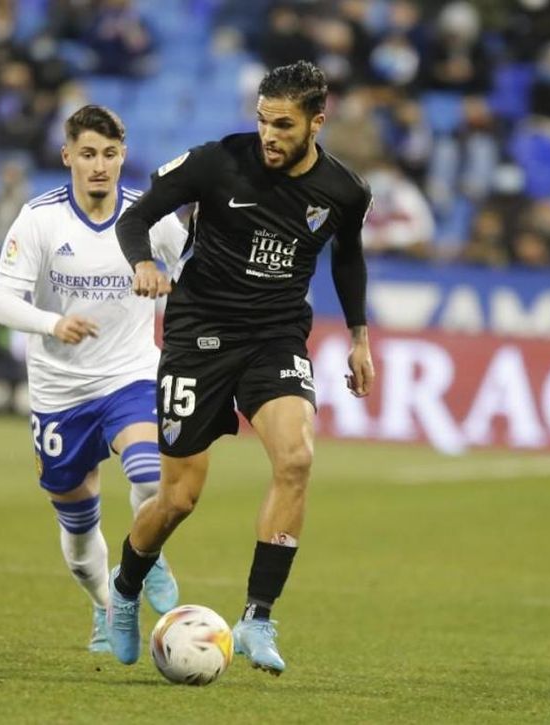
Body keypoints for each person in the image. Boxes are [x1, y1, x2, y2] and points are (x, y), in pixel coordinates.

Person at [106, 60, 375, 675]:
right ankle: (125, 589)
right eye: (262, 121)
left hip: (275, 337)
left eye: (283, 124)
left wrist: (360, 337)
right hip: (198, 337)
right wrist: (144, 263)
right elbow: (135, 217)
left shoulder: (344, 191)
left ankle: (258, 617)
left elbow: (349, 259)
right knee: (178, 499)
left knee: (297, 459)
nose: (269, 135)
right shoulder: (216, 162)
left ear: (316, 122)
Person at [0, 105, 186, 652]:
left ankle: (144, 557)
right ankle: (104, 606)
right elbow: (1, 301)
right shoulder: (40, 218)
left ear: (123, 156)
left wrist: (176, 287)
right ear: (67, 156)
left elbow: (195, 278)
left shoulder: (152, 217)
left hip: (130, 377)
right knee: (78, 539)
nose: (100, 166)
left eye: (110, 154)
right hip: (59, 394)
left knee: (151, 478)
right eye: (88, 154)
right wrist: (53, 323)